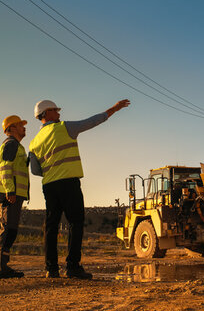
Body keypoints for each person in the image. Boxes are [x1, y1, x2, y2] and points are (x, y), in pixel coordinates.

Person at [29, 99, 130, 279]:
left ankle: (51, 269)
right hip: (68, 183)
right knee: (75, 223)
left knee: (51, 227)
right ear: (46, 113)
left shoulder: (34, 142)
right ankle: (73, 267)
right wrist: (115, 108)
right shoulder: (64, 128)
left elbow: (36, 171)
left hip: (49, 186)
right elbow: (93, 121)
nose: (59, 113)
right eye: (55, 110)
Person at [0, 115, 29, 279]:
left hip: (12, 193)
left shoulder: (16, 146)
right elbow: (5, 167)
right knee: (7, 230)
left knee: (3, 230)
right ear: (11, 128)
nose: (24, 128)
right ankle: (1, 269)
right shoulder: (11, 144)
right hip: (10, 194)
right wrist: (10, 191)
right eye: (20, 125)